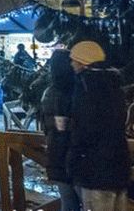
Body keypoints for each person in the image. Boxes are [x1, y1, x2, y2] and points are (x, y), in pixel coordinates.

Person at [67, 41, 130, 210]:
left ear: (83, 62)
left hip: (94, 170)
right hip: (118, 167)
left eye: (74, 60)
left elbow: (84, 130)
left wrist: (72, 162)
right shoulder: (114, 85)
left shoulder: (86, 87)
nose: (71, 64)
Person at [40, 49, 80, 211]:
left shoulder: (49, 93)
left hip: (57, 155)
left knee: (68, 202)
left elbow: (46, 126)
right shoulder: (77, 90)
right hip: (76, 156)